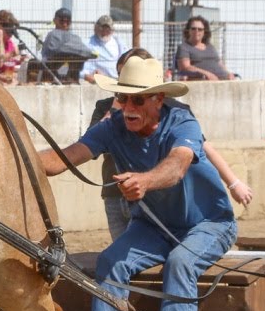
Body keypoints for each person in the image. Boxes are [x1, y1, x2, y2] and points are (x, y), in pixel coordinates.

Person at [38, 56, 238, 311]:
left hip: (209, 224)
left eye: (137, 99)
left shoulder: (182, 122)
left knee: (180, 263)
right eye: (124, 99)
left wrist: (145, 181)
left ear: (158, 99)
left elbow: (177, 166)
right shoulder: (112, 127)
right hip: (153, 226)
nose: (128, 107)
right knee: (112, 260)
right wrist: (9, 156)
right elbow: (62, 158)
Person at [91, 49, 254, 241]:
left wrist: (233, 183)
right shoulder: (105, 107)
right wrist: (119, 106)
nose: (127, 83)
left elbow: (201, 147)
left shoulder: (173, 110)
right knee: (124, 252)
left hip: (156, 195)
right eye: (121, 76)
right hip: (115, 193)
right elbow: (91, 145)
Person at [41, 8, 95, 84]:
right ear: (55, 21)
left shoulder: (75, 37)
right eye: (62, 21)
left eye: (67, 21)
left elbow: (86, 51)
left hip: (72, 75)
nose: (64, 24)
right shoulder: (52, 35)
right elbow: (52, 53)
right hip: (53, 73)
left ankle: (71, 79)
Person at [176, 16, 235, 81]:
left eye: (200, 29)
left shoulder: (210, 47)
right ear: (188, 30)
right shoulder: (184, 47)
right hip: (204, 81)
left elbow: (219, 63)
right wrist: (207, 74)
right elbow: (185, 68)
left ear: (204, 32)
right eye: (193, 28)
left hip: (223, 80)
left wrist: (228, 73)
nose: (196, 31)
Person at [80, 15, 126, 84]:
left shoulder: (119, 43)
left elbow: (125, 60)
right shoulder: (88, 43)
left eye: (107, 29)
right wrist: (88, 75)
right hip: (97, 82)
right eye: (102, 28)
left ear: (112, 30)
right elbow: (81, 68)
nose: (104, 32)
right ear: (95, 28)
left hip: (117, 81)